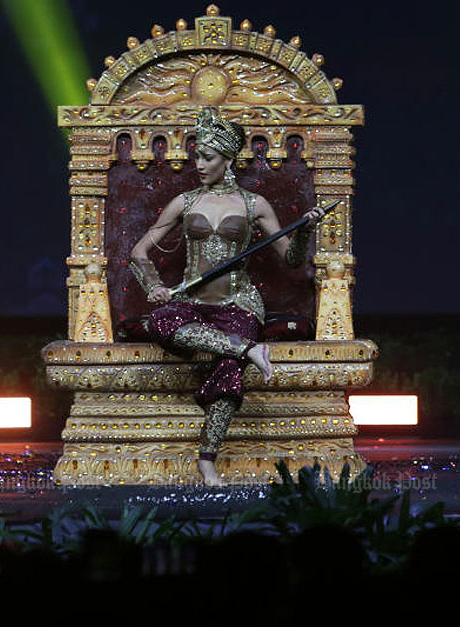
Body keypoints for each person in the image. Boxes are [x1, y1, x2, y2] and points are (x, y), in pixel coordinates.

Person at [128, 107, 323, 487]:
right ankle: (248, 349)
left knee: (226, 364)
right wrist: (152, 284)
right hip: (192, 305)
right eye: (196, 156)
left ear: (228, 160)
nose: (198, 164)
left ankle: (207, 461)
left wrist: (303, 231)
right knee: (161, 322)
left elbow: (292, 260)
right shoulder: (184, 203)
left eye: (207, 157)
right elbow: (138, 253)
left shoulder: (254, 205)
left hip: (238, 304)